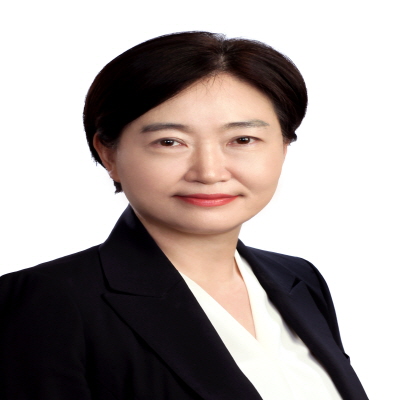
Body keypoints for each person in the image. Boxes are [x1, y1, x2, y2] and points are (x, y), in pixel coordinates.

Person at [0, 31, 368, 399]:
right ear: (109, 154)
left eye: (242, 140)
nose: (209, 172)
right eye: (170, 142)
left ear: (283, 147)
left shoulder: (299, 279)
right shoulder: (47, 300)